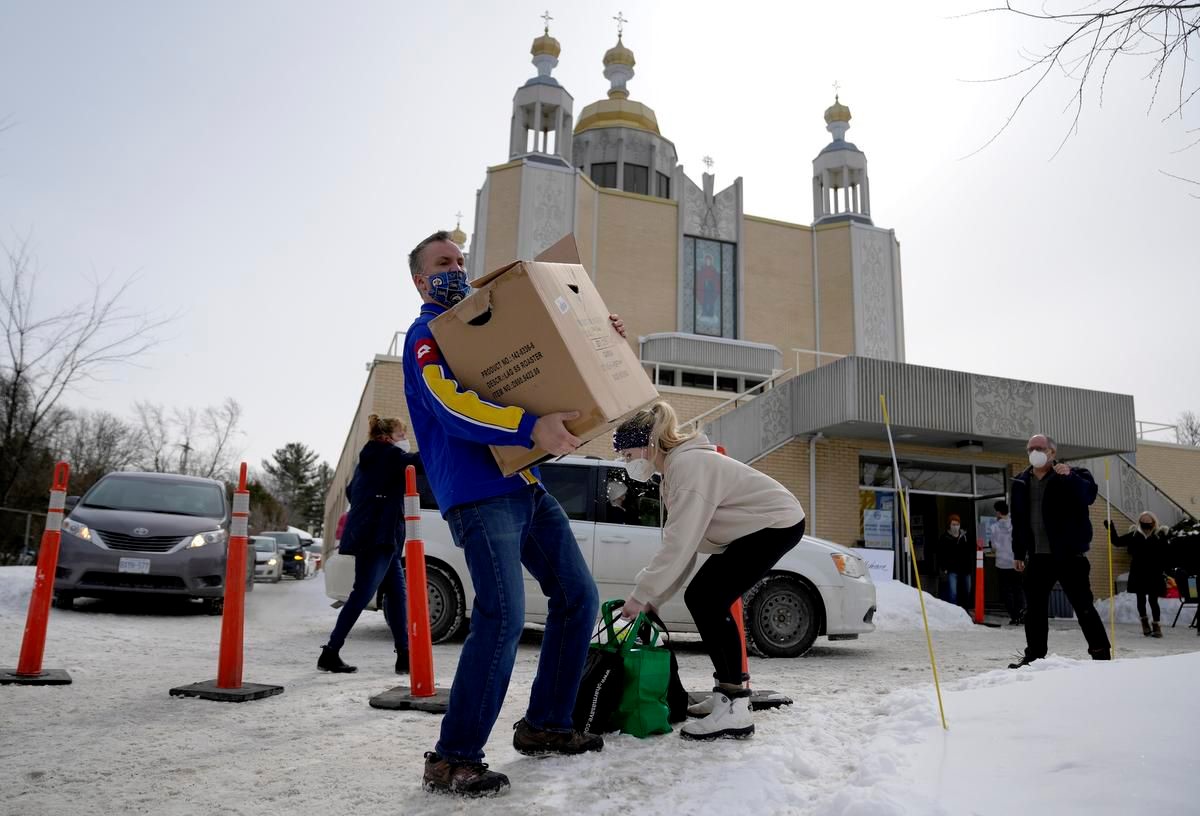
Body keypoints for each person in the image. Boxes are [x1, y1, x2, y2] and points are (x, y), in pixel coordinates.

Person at [403, 231, 620, 798]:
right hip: (480, 492)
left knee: (578, 597)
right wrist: (530, 427)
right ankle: (453, 759)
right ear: (420, 280)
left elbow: (546, 362)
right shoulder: (426, 335)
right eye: (443, 263)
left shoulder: (484, 325)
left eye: (461, 260)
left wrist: (599, 342)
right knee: (501, 616)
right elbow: (449, 404)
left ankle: (547, 724)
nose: (457, 269)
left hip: (525, 484)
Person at [614, 400, 806, 741]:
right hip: (761, 527)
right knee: (705, 598)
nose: (627, 465)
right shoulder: (676, 470)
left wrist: (640, 595)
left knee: (708, 599)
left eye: (628, 456)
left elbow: (678, 545)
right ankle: (726, 698)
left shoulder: (688, 468)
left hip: (777, 523)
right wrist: (654, 599)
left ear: (649, 445)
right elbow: (685, 546)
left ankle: (734, 707)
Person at [318, 415, 420, 675]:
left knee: (398, 595)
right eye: (401, 435)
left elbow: (353, 490)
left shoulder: (371, 458)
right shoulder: (387, 455)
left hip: (379, 536)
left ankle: (405, 656)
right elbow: (419, 462)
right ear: (388, 437)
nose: (405, 440)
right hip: (378, 537)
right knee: (362, 594)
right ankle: (330, 652)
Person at [1009, 434, 1111, 668]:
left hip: (1069, 555)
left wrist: (1070, 477)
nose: (1035, 452)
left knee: (1083, 606)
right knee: (1034, 609)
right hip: (1037, 556)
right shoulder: (1021, 482)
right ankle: (1034, 656)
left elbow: (1089, 495)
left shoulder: (1073, 475)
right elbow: (1018, 520)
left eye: (1040, 448)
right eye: (1030, 448)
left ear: (1052, 453)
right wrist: (1018, 552)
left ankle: (1101, 654)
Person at [1106, 511, 1170, 637]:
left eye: (1148, 522)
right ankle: (1144, 623)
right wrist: (1111, 528)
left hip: (1154, 573)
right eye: (1143, 522)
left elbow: (1166, 554)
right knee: (1141, 599)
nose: (1146, 524)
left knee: (1153, 600)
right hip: (1138, 573)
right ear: (1140, 522)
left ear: (1153, 522)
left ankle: (1156, 625)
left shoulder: (1160, 536)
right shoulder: (1134, 535)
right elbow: (1117, 542)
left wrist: (1165, 569)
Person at [991, 500, 1024, 625]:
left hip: (1001, 563)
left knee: (1006, 591)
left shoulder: (994, 527)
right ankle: (1020, 613)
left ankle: (1014, 615)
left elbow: (993, 545)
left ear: (998, 512)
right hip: (1015, 561)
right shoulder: (1014, 524)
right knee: (1018, 589)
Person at [937, 514, 973, 608]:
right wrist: (944, 567)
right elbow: (941, 554)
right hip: (952, 569)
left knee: (967, 591)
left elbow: (970, 551)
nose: (955, 526)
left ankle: (966, 611)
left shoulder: (965, 537)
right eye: (953, 524)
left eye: (957, 524)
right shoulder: (944, 538)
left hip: (965, 569)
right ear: (949, 524)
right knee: (953, 593)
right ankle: (954, 613)